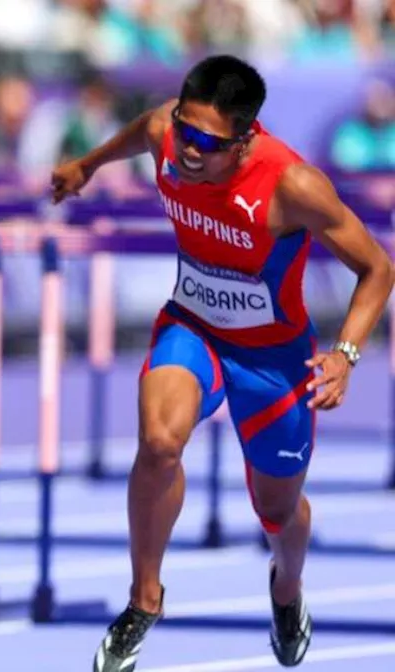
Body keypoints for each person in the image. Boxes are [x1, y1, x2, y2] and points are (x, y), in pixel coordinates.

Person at [51, 55, 395, 671]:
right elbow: (145, 128)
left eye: (208, 143)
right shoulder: (167, 133)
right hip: (194, 326)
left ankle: (286, 590)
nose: (188, 149)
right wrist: (86, 165)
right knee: (159, 442)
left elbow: (378, 269)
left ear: (244, 140)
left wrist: (345, 355)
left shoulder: (293, 185)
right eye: (186, 129)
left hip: (274, 361)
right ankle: (144, 599)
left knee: (278, 511)